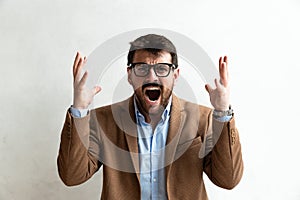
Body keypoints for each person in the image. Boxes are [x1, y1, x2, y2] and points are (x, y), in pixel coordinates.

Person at [57, 34, 243, 200]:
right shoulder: (104, 120)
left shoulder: (204, 118)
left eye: (162, 69)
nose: (151, 77)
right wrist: (80, 109)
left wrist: (222, 112)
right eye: (142, 68)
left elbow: (228, 180)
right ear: (129, 75)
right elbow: (72, 176)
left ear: (175, 76)